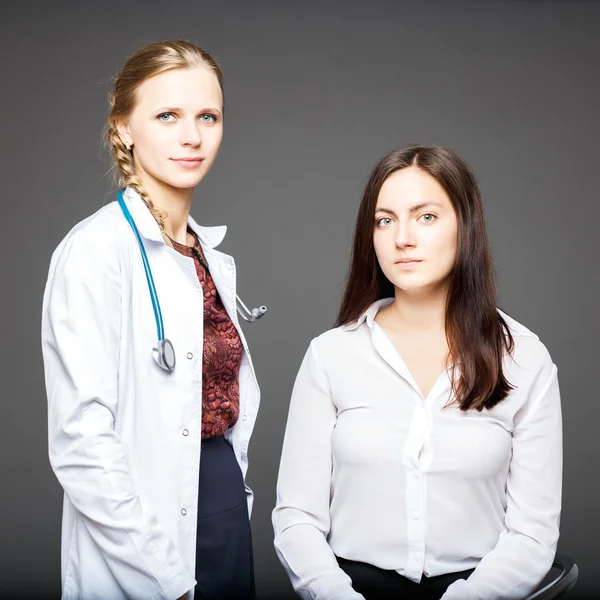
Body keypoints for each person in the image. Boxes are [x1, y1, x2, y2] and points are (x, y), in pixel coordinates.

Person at [272, 145, 562, 600]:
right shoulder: (330, 356)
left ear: (465, 227)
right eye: (385, 220)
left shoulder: (524, 358)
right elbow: (296, 518)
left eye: (425, 217)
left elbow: (532, 535)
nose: (401, 238)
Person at [41, 40, 260, 600]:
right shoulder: (96, 250)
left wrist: (231, 501)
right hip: (141, 535)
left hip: (222, 510)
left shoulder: (203, 254)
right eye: (168, 116)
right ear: (123, 130)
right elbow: (82, 441)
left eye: (207, 117)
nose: (192, 136)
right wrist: (165, 577)